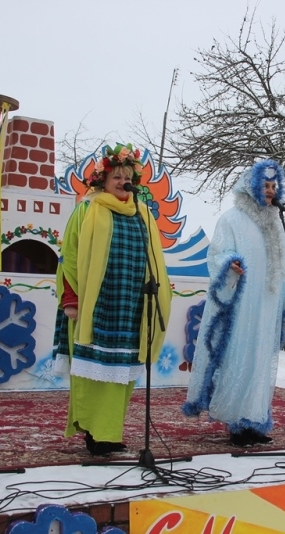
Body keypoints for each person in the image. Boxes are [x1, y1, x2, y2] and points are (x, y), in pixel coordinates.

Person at [52, 143, 172, 456]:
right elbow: (69, 255)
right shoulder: (88, 209)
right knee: (93, 372)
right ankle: (94, 433)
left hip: (131, 305)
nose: (122, 182)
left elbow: (154, 260)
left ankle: (109, 432)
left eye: (127, 177)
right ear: (102, 180)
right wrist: (71, 298)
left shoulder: (143, 213)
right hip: (97, 304)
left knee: (121, 374)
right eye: (116, 177)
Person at [182, 160, 285, 447]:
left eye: (273, 186)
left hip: (267, 305)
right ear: (251, 186)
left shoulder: (275, 222)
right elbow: (217, 254)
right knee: (240, 358)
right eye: (265, 185)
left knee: (261, 362)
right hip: (242, 305)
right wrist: (229, 264)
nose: (270, 191)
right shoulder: (232, 219)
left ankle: (255, 420)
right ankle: (236, 422)